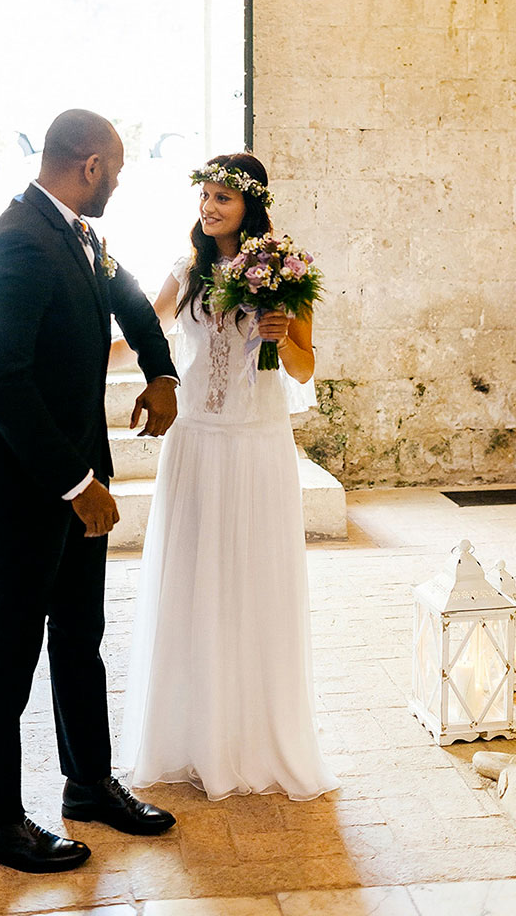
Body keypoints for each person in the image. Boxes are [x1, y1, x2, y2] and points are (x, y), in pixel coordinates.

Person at [0, 109, 179, 873]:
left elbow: (126, 300)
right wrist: (77, 483)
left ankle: (87, 783)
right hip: (33, 483)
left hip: (79, 475)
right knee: (11, 647)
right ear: (89, 165)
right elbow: (5, 383)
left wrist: (161, 371)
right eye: (115, 171)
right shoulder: (17, 242)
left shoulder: (79, 235)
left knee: (79, 635)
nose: (119, 182)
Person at [118, 152, 339, 801]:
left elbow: (302, 368)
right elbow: (141, 329)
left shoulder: (284, 274)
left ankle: (252, 739)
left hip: (256, 446)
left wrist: (284, 334)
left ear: (251, 206)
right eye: (205, 196)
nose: (209, 208)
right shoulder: (185, 270)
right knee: (191, 582)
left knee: (252, 583)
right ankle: (189, 739)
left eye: (223, 198)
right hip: (196, 443)